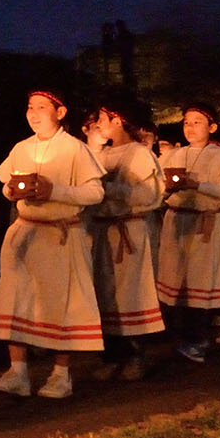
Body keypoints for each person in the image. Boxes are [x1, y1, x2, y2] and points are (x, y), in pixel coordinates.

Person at [0, 90, 105, 399]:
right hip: (25, 233)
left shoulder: (75, 149)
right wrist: (11, 192)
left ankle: (60, 374)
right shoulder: (21, 148)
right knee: (17, 299)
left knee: (60, 303)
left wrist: (55, 192)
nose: (34, 113)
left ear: (61, 111)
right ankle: (18, 372)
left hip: (60, 235)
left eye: (42, 107)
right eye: (30, 107)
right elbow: (5, 184)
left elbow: (95, 193)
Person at [81, 98, 165, 380]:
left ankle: (137, 354)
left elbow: (150, 195)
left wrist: (110, 188)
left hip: (129, 232)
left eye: (102, 119)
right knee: (104, 292)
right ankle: (112, 356)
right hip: (101, 232)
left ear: (118, 121)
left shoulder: (139, 153)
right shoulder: (97, 154)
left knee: (131, 292)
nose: (98, 125)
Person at [155, 105, 220, 361]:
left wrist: (198, 184)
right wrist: (167, 190)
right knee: (174, 281)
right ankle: (174, 336)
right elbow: (156, 189)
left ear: (212, 127)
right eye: (186, 123)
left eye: (197, 122)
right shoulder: (172, 155)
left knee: (198, 282)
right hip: (176, 223)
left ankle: (197, 338)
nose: (190, 127)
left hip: (205, 224)